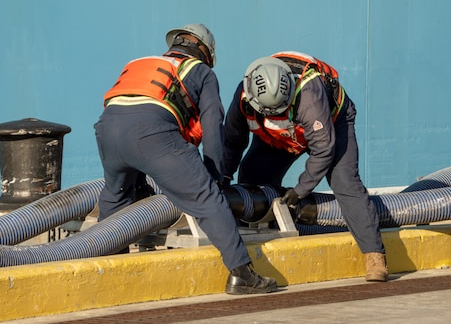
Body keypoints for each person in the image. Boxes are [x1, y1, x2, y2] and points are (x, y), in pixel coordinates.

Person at [94, 23, 278, 295]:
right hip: (151, 131)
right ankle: (242, 274)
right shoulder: (200, 71)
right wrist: (215, 176)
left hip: (107, 129)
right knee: (207, 199)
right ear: (204, 50)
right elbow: (213, 123)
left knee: (116, 196)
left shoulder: (140, 62)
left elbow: (129, 105)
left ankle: (108, 271)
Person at [222, 51, 388, 282]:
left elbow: (323, 149)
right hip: (278, 136)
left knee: (345, 183)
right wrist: (223, 176)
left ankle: (374, 256)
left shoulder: (309, 95)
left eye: (281, 109)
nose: (277, 114)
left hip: (330, 127)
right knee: (250, 180)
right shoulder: (243, 96)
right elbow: (231, 141)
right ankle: (249, 249)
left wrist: (301, 190)